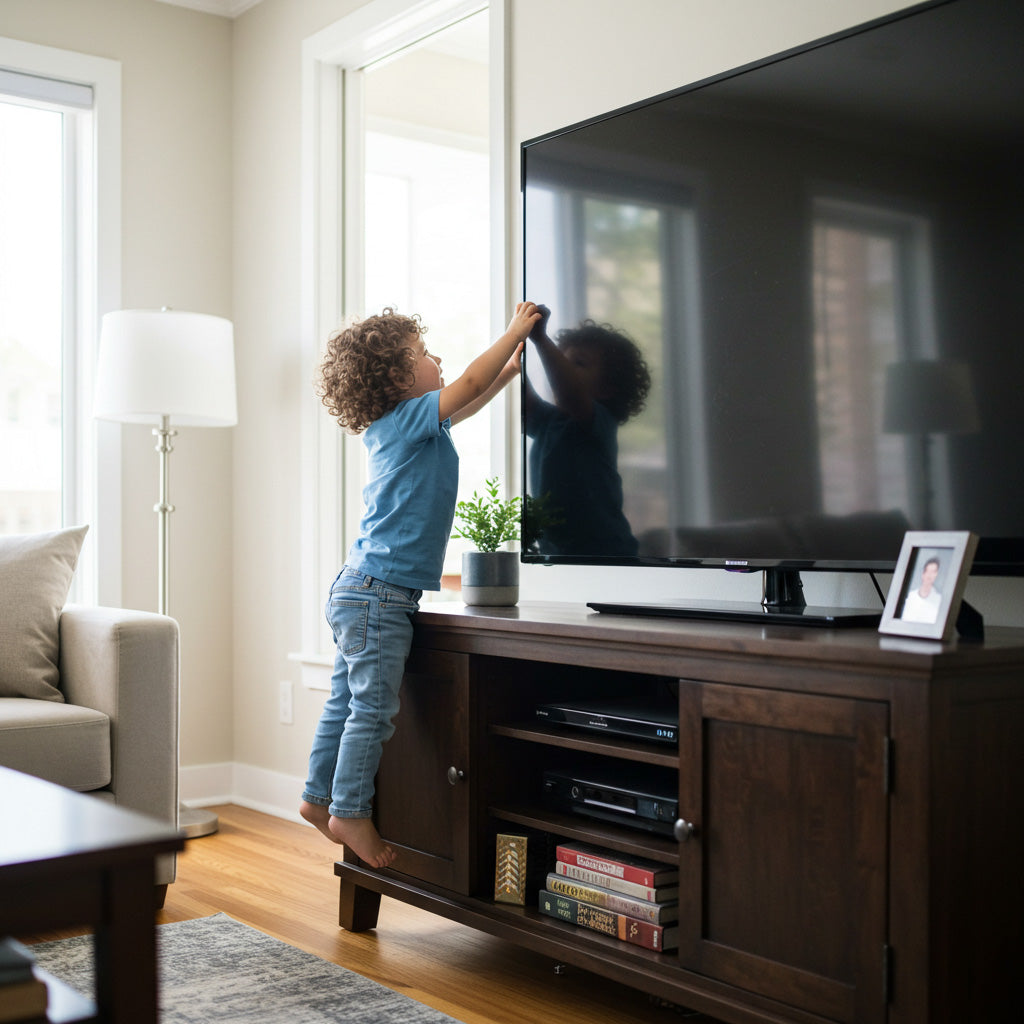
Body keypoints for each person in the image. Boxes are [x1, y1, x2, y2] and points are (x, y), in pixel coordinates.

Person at [300, 301, 541, 868]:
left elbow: (471, 396)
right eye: (424, 355)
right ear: (396, 378)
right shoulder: (408, 422)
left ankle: (317, 798)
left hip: (361, 589)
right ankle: (349, 810)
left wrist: (507, 376)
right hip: (378, 595)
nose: (438, 361)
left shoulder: (407, 428)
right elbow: (468, 383)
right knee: (373, 710)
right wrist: (511, 334)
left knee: (343, 703)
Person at [523, 308, 651, 557]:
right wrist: (514, 348)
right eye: (563, 360)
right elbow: (524, 404)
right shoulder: (549, 421)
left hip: (608, 555)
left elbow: (570, 394)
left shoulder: (599, 423)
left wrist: (541, 340)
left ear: (607, 388)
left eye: (577, 364)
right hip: (560, 556)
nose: (562, 369)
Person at [900, 555, 942, 624]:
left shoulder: (939, 599)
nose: (929, 575)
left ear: (936, 575)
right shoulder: (911, 597)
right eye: (927, 571)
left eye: (933, 572)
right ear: (923, 574)